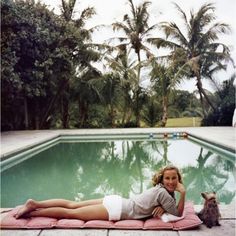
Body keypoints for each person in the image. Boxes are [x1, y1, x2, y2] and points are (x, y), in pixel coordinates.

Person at [15, 165, 186, 221]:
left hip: (116, 200)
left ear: (178, 178)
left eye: (174, 178)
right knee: (70, 213)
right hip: (117, 210)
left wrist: (162, 209)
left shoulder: (160, 191)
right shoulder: (164, 194)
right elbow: (177, 214)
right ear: (162, 180)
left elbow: (166, 209)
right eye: (167, 178)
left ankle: (35, 204)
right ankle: (34, 211)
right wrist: (183, 193)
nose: (171, 182)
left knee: (71, 204)